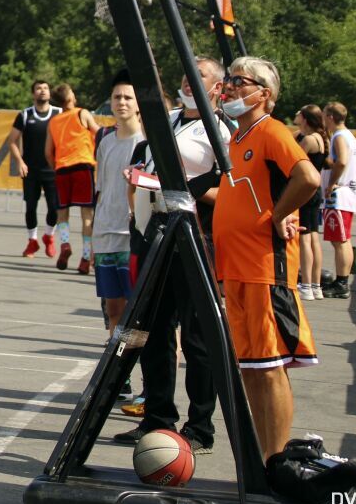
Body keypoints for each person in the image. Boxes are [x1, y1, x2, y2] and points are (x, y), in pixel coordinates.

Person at [116, 56, 230, 454]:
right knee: (154, 331)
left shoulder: (222, 129)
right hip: (158, 231)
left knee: (198, 338)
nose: (187, 78)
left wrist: (189, 188)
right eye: (185, 72)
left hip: (196, 236)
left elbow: (228, 187)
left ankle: (199, 427)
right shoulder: (169, 121)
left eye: (197, 74)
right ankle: (157, 418)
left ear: (217, 87)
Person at [214, 56, 319, 461]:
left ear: (265, 93)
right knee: (252, 368)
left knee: (270, 366)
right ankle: (264, 459)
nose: (230, 87)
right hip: (237, 268)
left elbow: (307, 177)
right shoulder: (237, 138)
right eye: (229, 79)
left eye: (239, 80)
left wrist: (278, 215)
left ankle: (275, 462)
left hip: (263, 267)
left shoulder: (271, 130)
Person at [90, 71, 143, 338]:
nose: (122, 102)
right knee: (113, 310)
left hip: (132, 236)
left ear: (137, 104)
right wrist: (91, 237)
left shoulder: (146, 143)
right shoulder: (105, 141)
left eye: (127, 97)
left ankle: (145, 369)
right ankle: (119, 376)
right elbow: (101, 191)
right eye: (117, 97)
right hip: (105, 235)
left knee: (138, 312)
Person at [44, 83, 100, 273]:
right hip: (82, 166)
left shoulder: (54, 121)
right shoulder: (82, 113)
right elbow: (98, 133)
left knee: (62, 213)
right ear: (70, 98)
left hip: (62, 168)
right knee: (87, 216)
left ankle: (65, 244)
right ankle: (85, 257)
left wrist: (56, 166)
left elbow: (47, 152)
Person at [7, 79, 62, 257]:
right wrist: (20, 162)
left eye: (46, 88)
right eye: (38, 88)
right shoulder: (24, 115)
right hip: (30, 170)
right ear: (33, 93)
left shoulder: (59, 113)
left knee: (54, 208)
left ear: (50, 93)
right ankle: (32, 241)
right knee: (31, 206)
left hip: (53, 169)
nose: (42, 91)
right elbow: (12, 141)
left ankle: (49, 237)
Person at [320, 102, 356, 299]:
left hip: (340, 195)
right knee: (343, 239)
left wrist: (331, 183)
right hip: (347, 194)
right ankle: (342, 280)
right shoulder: (349, 136)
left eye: (324, 115)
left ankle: (342, 282)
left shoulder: (339, 137)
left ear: (331, 117)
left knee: (340, 241)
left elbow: (342, 161)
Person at [295, 105, 328, 301]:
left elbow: (291, 158)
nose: (295, 116)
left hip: (306, 191)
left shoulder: (308, 140)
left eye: (299, 114)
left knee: (304, 238)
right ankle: (315, 285)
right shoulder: (318, 138)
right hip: (316, 192)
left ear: (305, 119)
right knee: (314, 236)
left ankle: (306, 284)